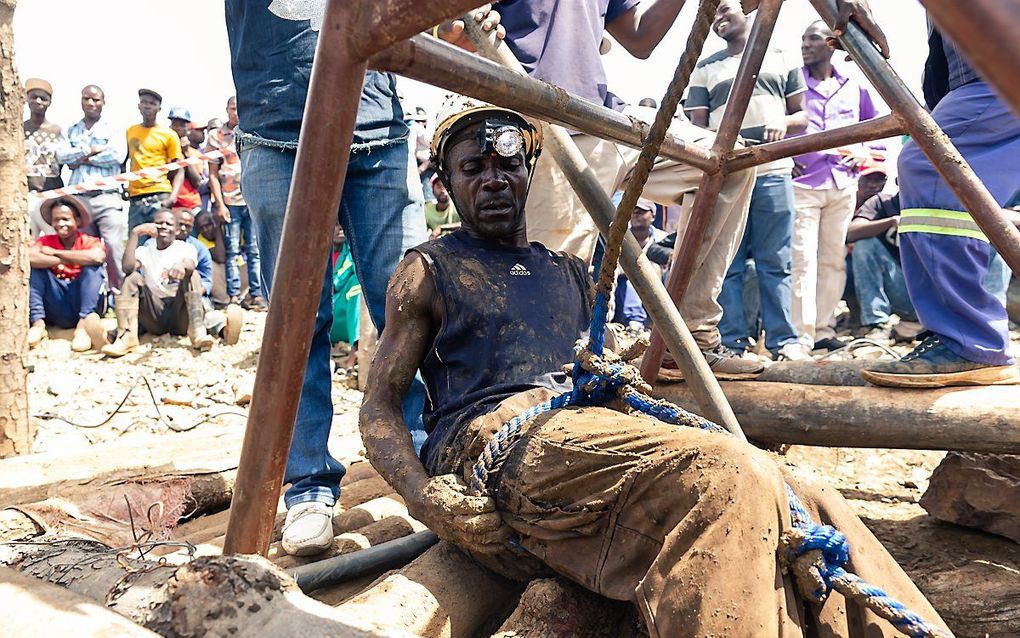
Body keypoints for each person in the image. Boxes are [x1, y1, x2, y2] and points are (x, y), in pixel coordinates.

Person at [359, 101, 949, 638]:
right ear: (445, 184)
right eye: (472, 167)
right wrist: (425, 500)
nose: (493, 178)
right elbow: (379, 405)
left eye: (506, 162)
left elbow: (595, 371)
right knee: (725, 475)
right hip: (497, 443)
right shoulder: (430, 269)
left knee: (802, 492)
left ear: (529, 172)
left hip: (579, 434)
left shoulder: (568, 272)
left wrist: (610, 374)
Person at [224, 0, 440, 555]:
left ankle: (431, 456)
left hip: (378, 132)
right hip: (277, 133)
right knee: (297, 325)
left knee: (413, 305)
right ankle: (308, 486)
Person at [460, 0, 760, 377]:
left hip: (606, 117)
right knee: (548, 312)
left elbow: (640, 39)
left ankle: (687, 336)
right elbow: (450, 29)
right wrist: (466, 28)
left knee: (729, 165)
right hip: (541, 123)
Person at [860, 23, 1020, 387]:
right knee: (969, 195)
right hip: (988, 69)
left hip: (997, 68)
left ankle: (970, 341)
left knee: (930, 169)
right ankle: (972, 338)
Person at [687, 0, 810, 361]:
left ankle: (783, 342)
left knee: (777, 261)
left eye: (725, 9)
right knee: (727, 262)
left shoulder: (782, 56)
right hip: (728, 176)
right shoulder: (705, 68)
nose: (718, 19)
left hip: (773, 172)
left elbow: (802, 115)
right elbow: (695, 127)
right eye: (712, 16)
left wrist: (784, 123)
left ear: (747, 9)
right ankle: (732, 342)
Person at [790, 20, 878, 353]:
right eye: (802, 39)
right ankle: (801, 333)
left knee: (833, 260)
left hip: (843, 183)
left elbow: (876, 132)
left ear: (831, 43)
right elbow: (780, 121)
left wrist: (864, 152)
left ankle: (823, 329)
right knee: (802, 260)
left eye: (812, 38)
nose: (804, 44)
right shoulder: (793, 82)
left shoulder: (855, 87)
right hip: (803, 183)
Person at [102, 209, 215, 357]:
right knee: (132, 278)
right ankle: (126, 336)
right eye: (159, 223)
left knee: (192, 275)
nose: (163, 226)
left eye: (168, 224)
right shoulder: (146, 250)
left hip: (180, 313)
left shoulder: (186, 248)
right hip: (155, 313)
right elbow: (127, 268)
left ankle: (198, 331)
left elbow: (190, 264)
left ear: (176, 229)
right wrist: (135, 233)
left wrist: (181, 266)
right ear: (152, 227)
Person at [56, 84, 128, 288]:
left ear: (103, 102)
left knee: (113, 247)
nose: (91, 103)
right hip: (79, 199)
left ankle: (119, 296)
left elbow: (116, 155)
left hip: (107, 196)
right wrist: (91, 151)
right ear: (81, 101)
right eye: (86, 98)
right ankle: (94, 297)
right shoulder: (71, 129)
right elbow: (62, 156)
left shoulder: (112, 129)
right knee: (85, 249)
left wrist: (80, 157)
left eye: (95, 99)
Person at [207, 96, 266, 311]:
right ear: (227, 110)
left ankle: (257, 294)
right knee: (232, 251)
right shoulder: (216, 136)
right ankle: (233, 296)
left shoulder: (253, 130)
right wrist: (220, 204)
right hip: (230, 201)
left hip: (251, 198)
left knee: (254, 249)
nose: (236, 113)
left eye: (239, 108)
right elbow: (213, 174)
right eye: (233, 109)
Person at [27, 196, 107, 352]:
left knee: (93, 269)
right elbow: (30, 257)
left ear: (77, 220)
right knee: (35, 269)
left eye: (66, 219)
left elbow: (97, 257)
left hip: (82, 301)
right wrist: (67, 260)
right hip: (56, 301)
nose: (61, 224)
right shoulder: (45, 241)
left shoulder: (90, 241)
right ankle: (38, 324)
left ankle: (83, 328)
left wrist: (56, 253)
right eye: (56, 220)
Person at [125, 89, 185, 230]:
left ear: (159, 108)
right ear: (139, 105)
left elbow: (179, 169)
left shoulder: (169, 135)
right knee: (136, 243)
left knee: (161, 240)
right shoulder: (130, 131)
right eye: (144, 102)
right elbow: (124, 160)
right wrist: (123, 186)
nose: (147, 106)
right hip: (136, 197)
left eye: (152, 103)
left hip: (159, 194)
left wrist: (172, 197)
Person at [613, 198, 665, 331]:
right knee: (632, 276)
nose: (636, 215)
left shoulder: (663, 238)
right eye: (633, 211)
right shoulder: (619, 236)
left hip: (660, 288)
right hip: (623, 288)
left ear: (653, 216)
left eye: (641, 212)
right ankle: (634, 323)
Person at [23, 78, 63, 237]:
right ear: (26, 99)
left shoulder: (58, 131)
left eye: (43, 98)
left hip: (52, 195)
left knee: (53, 239)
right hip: (25, 195)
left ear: (50, 102)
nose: (38, 101)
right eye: (34, 97)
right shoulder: (19, 129)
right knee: (27, 241)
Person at [167, 108, 204, 214]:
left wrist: (186, 154)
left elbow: (197, 182)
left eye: (182, 125)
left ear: (188, 128)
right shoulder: (163, 150)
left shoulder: (195, 153)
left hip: (190, 205)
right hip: (169, 204)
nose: (178, 128)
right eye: (175, 124)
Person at [424, 173, 459, 238]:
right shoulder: (427, 210)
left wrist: (441, 227)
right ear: (432, 190)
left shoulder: (458, 207)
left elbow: (466, 225)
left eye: (445, 186)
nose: (442, 190)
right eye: (438, 186)